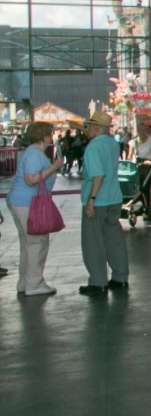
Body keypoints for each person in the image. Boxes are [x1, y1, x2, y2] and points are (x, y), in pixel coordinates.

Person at [9, 122, 64, 296]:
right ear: (44, 135)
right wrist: (54, 167)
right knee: (37, 243)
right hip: (28, 203)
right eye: (50, 133)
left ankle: (25, 283)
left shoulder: (31, 152)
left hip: (21, 201)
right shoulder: (35, 153)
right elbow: (31, 179)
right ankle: (34, 284)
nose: (52, 136)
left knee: (27, 244)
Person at [78, 111, 130, 296]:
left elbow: (98, 175)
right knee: (114, 240)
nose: (86, 129)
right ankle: (120, 277)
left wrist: (91, 199)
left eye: (89, 126)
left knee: (93, 242)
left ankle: (98, 282)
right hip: (114, 197)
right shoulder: (112, 143)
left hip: (98, 200)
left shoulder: (93, 146)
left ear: (95, 127)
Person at [132, 119, 151, 224]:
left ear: (146, 130)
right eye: (139, 130)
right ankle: (136, 205)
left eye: (143, 130)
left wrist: (150, 162)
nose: (141, 132)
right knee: (135, 187)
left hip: (147, 167)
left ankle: (146, 207)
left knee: (144, 188)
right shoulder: (134, 141)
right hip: (137, 166)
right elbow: (130, 155)